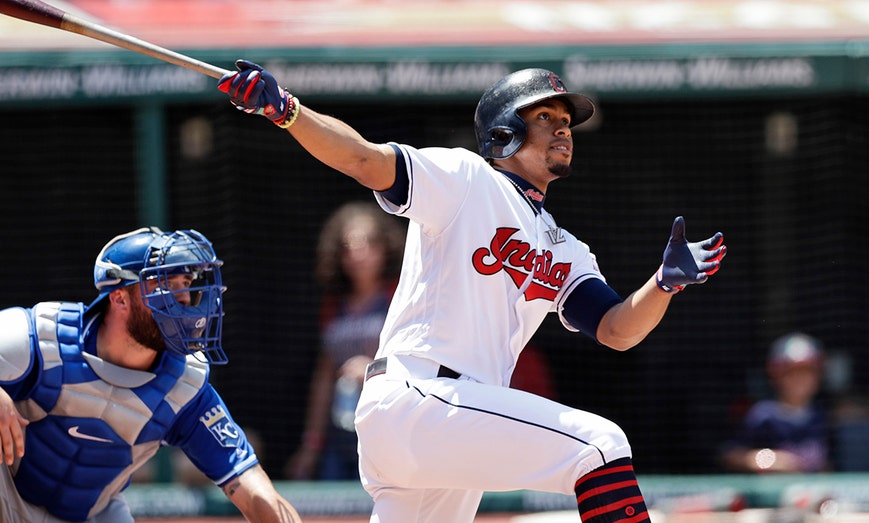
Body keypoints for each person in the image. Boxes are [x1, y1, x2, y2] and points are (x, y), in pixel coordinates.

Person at [219, 62, 726, 523]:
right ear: (504, 132)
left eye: (566, 119)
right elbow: (364, 160)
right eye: (545, 115)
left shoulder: (566, 248)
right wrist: (288, 111)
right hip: (421, 397)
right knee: (600, 445)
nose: (563, 126)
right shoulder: (466, 178)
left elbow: (616, 329)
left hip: (453, 422)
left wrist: (662, 286)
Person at [0, 227, 301, 522]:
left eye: (187, 284)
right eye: (169, 285)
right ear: (119, 298)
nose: (185, 300)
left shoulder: (184, 387)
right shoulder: (38, 339)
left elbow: (252, 488)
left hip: (91, 514)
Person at [286, 201, 405, 481]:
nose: (357, 253)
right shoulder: (333, 305)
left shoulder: (400, 296)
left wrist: (371, 369)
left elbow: (419, 361)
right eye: (347, 246)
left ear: (384, 247)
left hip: (390, 430)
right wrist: (311, 446)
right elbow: (324, 377)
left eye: (366, 243)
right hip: (340, 435)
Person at [720, 332, 830, 474]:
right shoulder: (763, 415)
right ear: (776, 375)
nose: (800, 380)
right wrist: (770, 460)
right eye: (792, 372)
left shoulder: (821, 415)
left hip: (809, 492)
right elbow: (730, 455)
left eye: (807, 372)